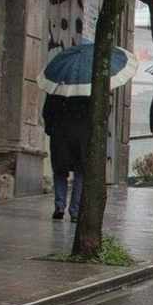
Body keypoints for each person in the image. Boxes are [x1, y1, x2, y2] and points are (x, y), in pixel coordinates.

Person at [42, 93, 90, 221]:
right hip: (82, 136)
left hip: (60, 134)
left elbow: (47, 111)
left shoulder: (57, 87)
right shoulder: (89, 87)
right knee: (80, 172)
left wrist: (50, 129)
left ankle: (59, 206)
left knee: (59, 171)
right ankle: (75, 211)